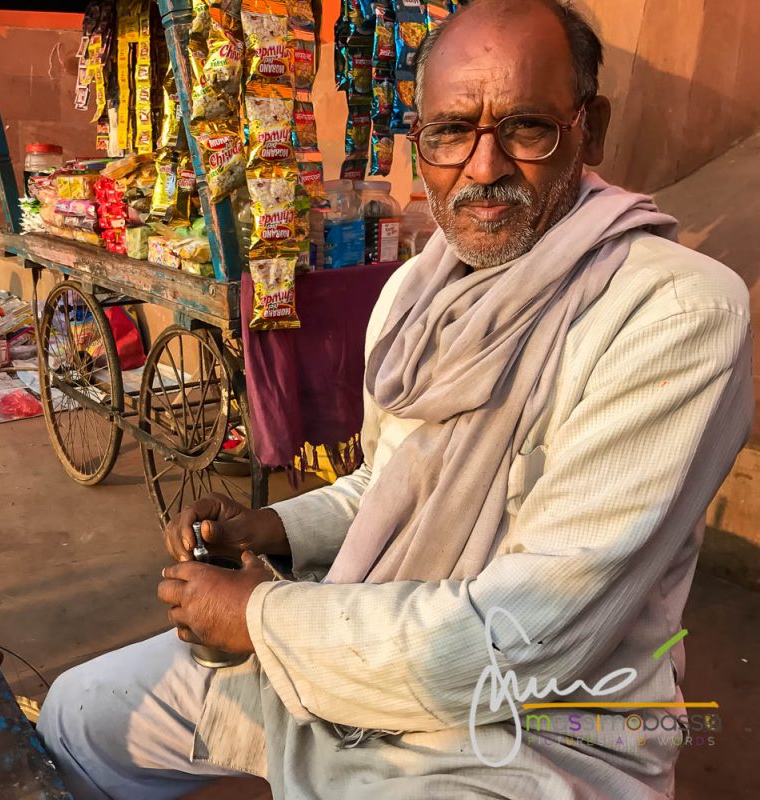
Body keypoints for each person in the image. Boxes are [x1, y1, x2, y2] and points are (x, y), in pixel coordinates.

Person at [38, 1, 753, 797]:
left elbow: (528, 636)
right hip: (358, 642)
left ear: (592, 129)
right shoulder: (417, 289)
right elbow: (394, 482)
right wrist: (273, 526)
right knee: (74, 714)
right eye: (451, 132)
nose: (483, 169)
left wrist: (261, 620)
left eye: (525, 127)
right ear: (423, 142)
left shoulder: (676, 312)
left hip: (548, 724)